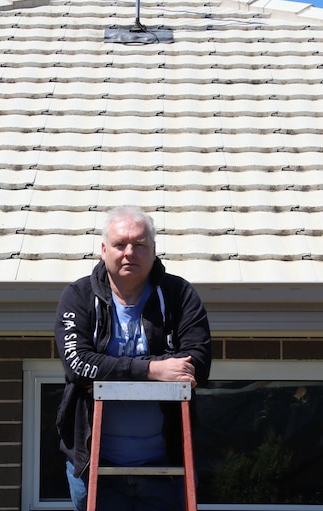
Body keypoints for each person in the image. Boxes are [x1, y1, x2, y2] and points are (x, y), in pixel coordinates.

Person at [54, 205, 212, 511]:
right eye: (120, 244)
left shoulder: (180, 295)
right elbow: (78, 366)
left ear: (153, 250)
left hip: (166, 466)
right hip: (95, 466)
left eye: (139, 245)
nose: (129, 253)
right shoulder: (79, 297)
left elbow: (198, 364)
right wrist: (154, 369)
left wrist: (106, 372)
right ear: (103, 249)